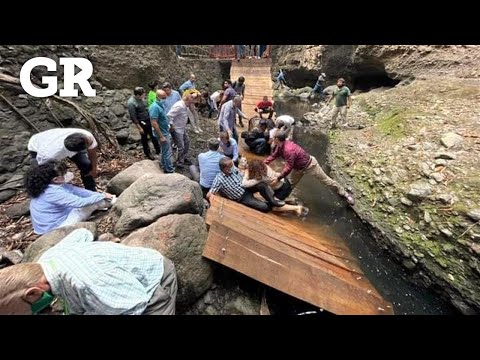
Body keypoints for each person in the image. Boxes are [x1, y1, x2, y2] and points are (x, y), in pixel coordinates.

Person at [0, 228, 177, 315]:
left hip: (152, 284)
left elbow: (136, 304)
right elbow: (82, 233)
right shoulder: (46, 260)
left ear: (32, 294)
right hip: (116, 286)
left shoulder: (87, 282)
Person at [25, 161, 115, 235]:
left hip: (53, 223)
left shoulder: (49, 185)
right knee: (93, 203)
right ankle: (114, 202)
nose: (67, 174)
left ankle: (109, 201)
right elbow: (80, 202)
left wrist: (99, 194)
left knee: (94, 198)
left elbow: (78, 191)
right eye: (64, 173)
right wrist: (102, 196)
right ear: (55, 179)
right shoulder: (52, 192)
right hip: (54, 230)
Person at [264, 132, 355, 205]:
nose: (272, 139)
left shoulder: (288, 150)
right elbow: (274, 155)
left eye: (273, 138)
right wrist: (263, 163)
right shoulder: (280, 146)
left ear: (277, 139)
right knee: (290, 184)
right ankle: (284, 199)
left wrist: (278, 178)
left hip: (310, 165)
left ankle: (344, 193)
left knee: (326, 181)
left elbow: (288, 167)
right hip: (298, 168)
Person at [207, 158, 307, 216]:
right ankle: (279, 202)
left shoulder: (235, 169)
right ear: (224, 168)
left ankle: (275, 201)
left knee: (262, 186)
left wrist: (244, 173)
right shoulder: (219, 179)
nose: (233, 167)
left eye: (232, 165)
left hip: (250, 188)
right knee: (265, 207)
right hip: (242, 196)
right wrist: (212, 202)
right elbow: (210, 193)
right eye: (230, 166)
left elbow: (243, 178)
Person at [28, 128, 99, 191]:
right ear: (75, 150)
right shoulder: (49, 154)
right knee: (48, 176)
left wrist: (94, 169)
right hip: (36, 145)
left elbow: (92, 153)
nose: (91, 141)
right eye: (89, 143)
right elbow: (42, 169)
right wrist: (59, 178)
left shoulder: (86, 136)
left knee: (85, 164)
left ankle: (91, 189)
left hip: (55, 139)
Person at [127, 87, 161, 161]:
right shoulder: (131, 103)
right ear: (138, 95)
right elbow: (133, 117)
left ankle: (158, 149)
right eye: (142, 95)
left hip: (148, 119)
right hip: (141, 122)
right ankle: (147, 153)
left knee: (153, 135)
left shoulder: (141, 99)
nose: (144, 96)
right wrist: (139, 127)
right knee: (144, 138)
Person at [149, 90, 175, 173]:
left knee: (164, 150)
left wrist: (169, 126)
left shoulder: (161, 105)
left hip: (165, 130)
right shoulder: (154, 107)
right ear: (157, 97)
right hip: (162, 133)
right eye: (163, 98)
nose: (165, 99)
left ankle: (163, 165)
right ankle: (169, 170)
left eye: (165, 97)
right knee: (167, 152)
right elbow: (154, 122)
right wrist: (161, 136)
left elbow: (163, 118)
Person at [167, 92, 195, 167]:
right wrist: (171, 125)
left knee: (187, 142)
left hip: (182, 128)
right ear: (186, 100)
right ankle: (179, 161)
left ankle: (184, 157)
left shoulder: (185, 105)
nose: (191, 104)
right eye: (190, 102)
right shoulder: (179, 106)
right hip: (176, 129)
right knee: (181, 146)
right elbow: (169, 115)